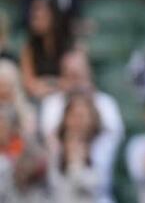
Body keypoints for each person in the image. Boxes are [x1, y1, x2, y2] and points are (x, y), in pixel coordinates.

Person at [38, 50, 124, 196]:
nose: (74, 81)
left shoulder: (105, 103)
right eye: (69, 75)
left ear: (88, 74)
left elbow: (112, 140)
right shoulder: (52, 104)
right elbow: (51, 145)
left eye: (78, 75)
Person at [49, 92, 105, 203]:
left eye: (82, 116)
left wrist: (75, 163)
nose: (78, 122)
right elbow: (53, 185)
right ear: (65, 118)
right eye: (73, 115)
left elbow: (96, 185)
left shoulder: (101, 146)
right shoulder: (54, 148)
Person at [20, 0, 72, 100]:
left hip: (64, 97)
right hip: (38, 97)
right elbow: (28, 82)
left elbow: (71, 80)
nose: (36, 21)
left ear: (53, 17)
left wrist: (48, 83)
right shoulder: (28, 48)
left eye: (41, 17)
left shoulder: (69, 46)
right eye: (34, 17)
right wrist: (52, 85)